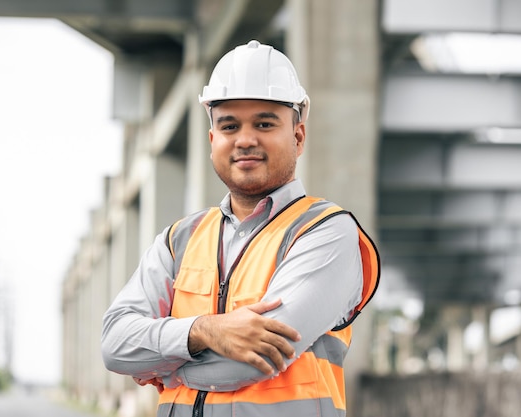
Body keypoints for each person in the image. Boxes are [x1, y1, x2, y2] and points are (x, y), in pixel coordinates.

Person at [101, 39, 380, 417]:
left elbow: (249, 363)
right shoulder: (179, 240)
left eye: (264, 123)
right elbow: (115, 344)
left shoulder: (325, 232)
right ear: (213, 139)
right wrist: (204, 331)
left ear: (298, 137)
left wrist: (162, 367)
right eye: (229, 125)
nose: (245, 139)